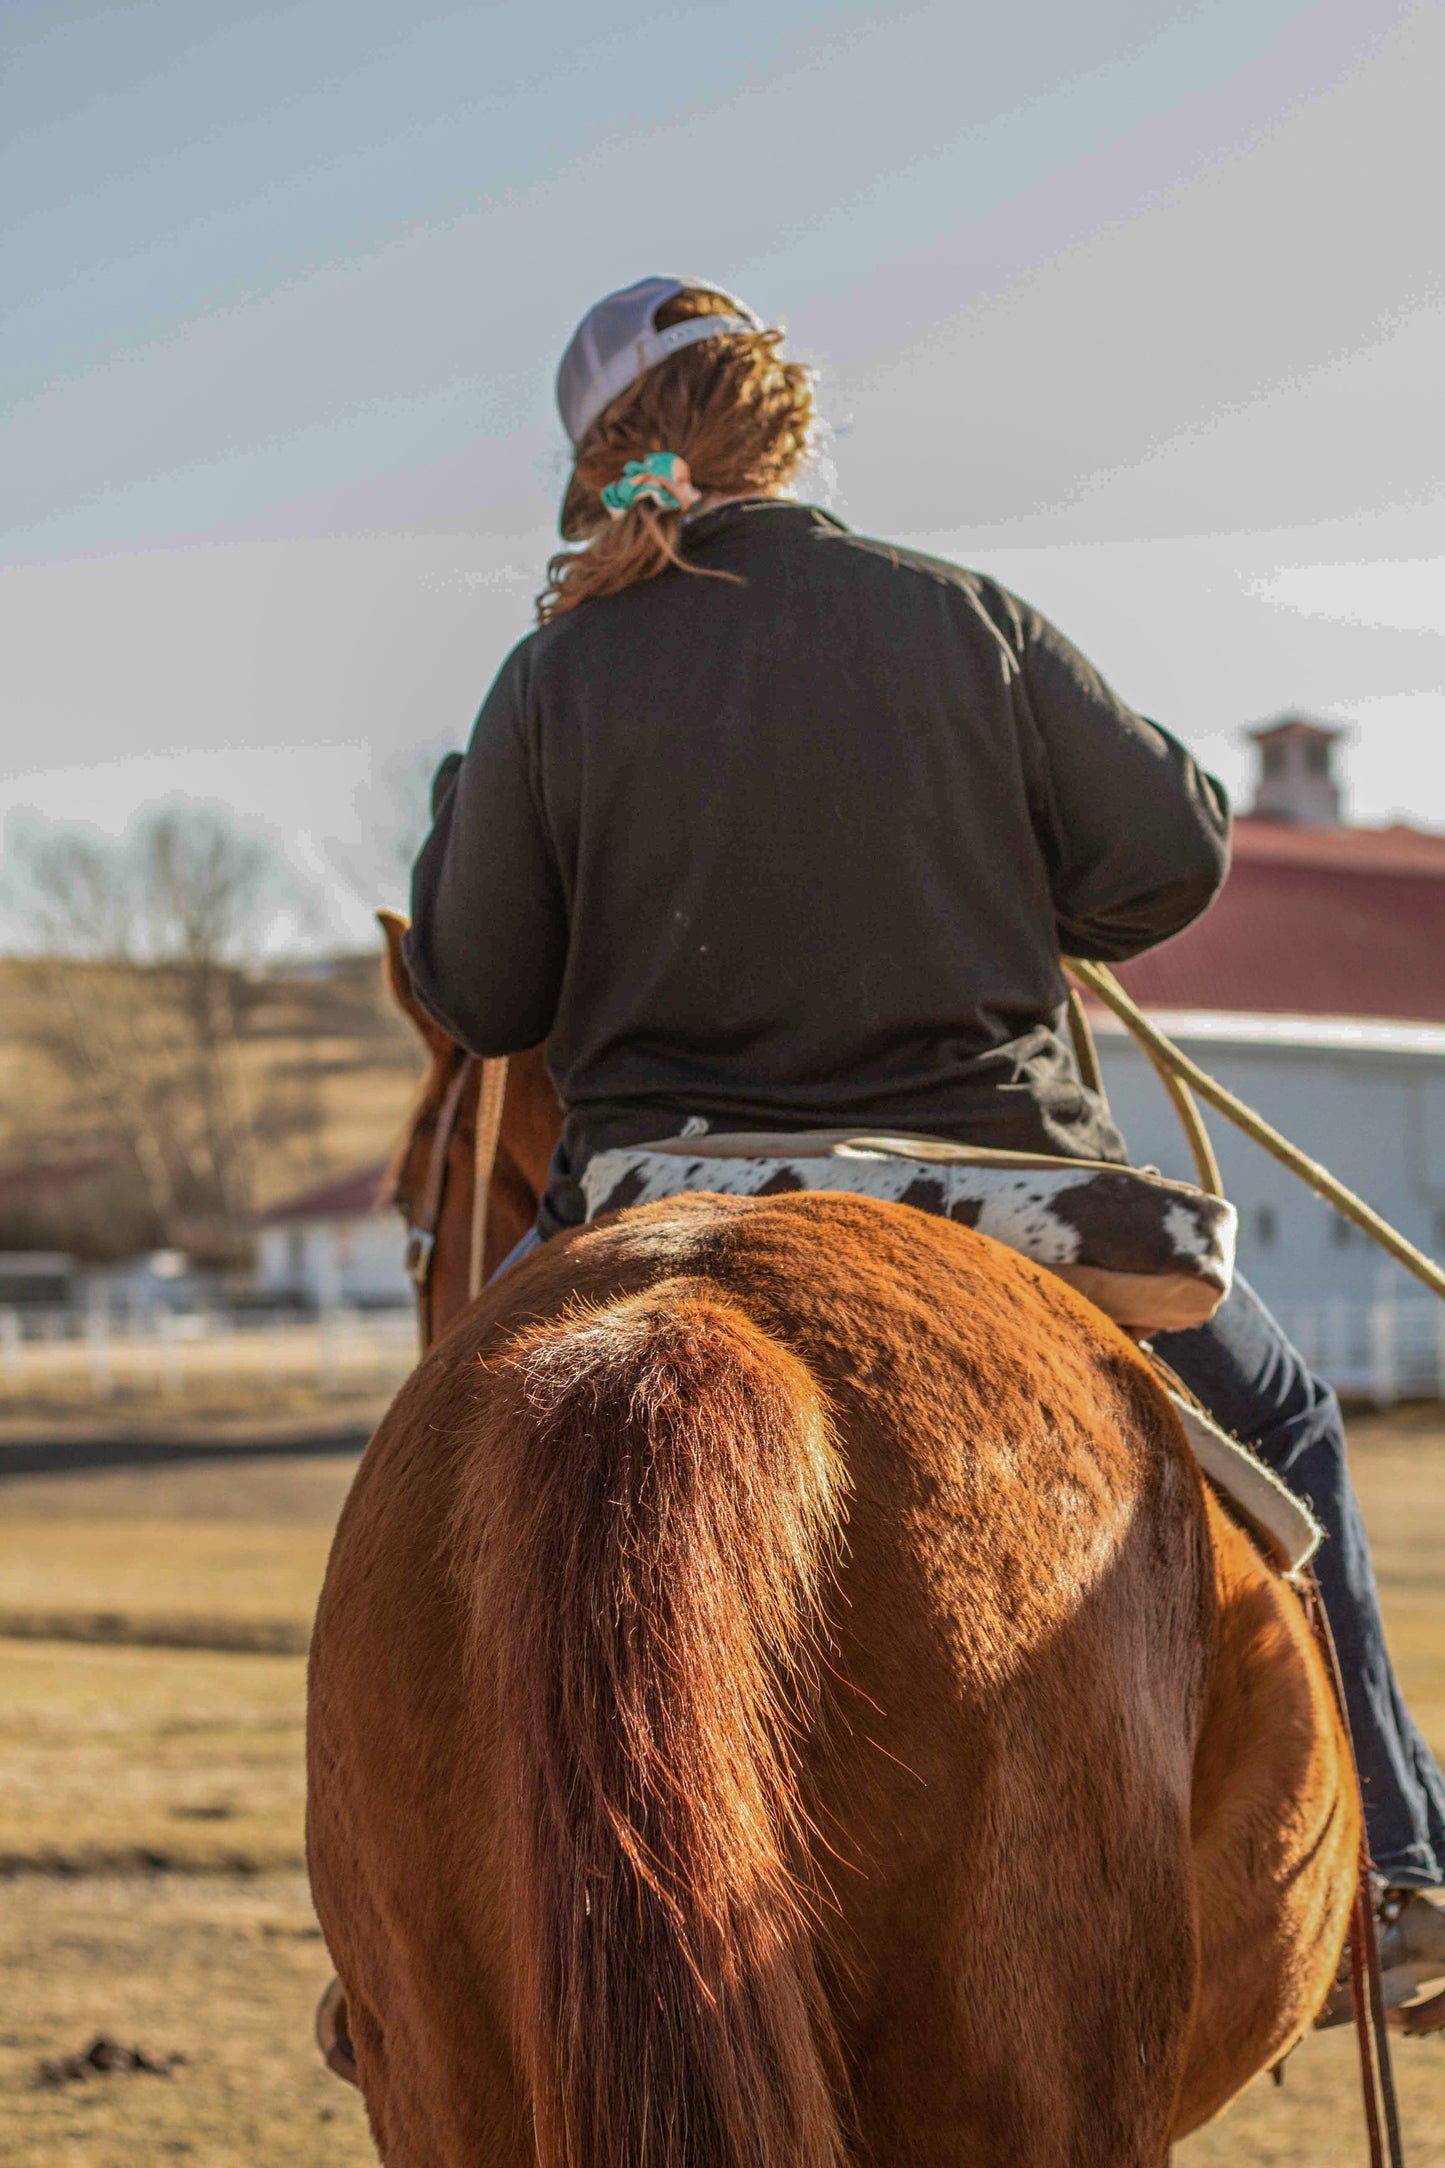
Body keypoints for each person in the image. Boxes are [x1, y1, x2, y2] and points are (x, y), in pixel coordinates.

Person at [406, 276, 1445, 1976]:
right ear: (790, 421)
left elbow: (484, 989)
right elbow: (1165, 863)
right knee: (1289, 1420)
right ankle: (1397, 1877)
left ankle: (403, 1952)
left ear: (606, 463)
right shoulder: (964, 617)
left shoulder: (552, 674)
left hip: (643, 1192)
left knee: (432, 1452)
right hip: (1006, 1188)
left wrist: (478, 812)